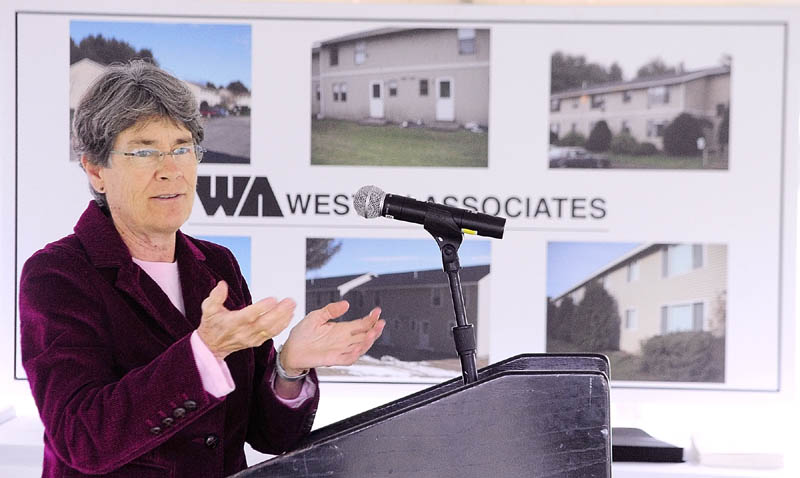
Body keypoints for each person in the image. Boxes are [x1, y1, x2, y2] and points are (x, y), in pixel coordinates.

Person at [19, 60, 385, 477]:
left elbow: (267, 434)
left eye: (182, 148)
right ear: (95, 169)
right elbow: (81, 437)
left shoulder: (216, 264)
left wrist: (289, 365)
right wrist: (203, 353)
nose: (171, 169)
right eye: (144, 151)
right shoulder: (57, 275)